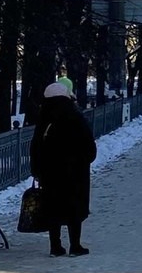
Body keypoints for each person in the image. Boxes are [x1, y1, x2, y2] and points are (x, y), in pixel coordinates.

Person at [29, 81, 97, 257]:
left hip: (50, 173)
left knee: (53, 207)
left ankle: (55, 247)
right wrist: (84, 161)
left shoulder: (44, 117)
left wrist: (37, 170)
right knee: (75, 206)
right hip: (76, 172)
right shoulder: (75, 116)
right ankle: (75, 245)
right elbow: (89, 145)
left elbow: (35, 146)